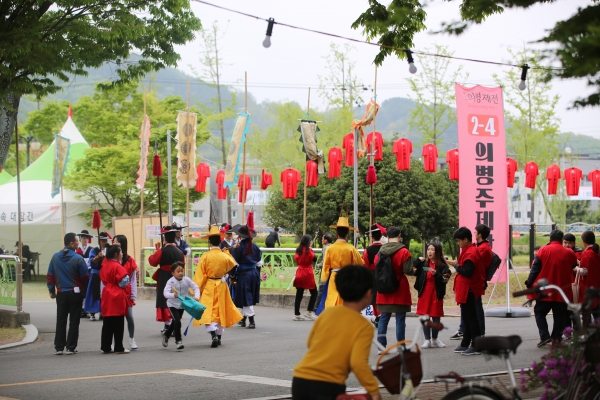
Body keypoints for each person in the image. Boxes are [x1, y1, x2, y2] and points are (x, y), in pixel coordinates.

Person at [292, 265, 381, 400]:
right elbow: (358, 364)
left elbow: (310, 342)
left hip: (300, 379)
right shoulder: (364, 326)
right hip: (328, 385)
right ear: (369, 294)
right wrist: (374, 391)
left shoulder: (327, 313)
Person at [525, 229, 577, 347]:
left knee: (539, 312)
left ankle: (544, 336)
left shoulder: (543, 250)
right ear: (561, 239)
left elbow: (535, 269)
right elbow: (574, 265)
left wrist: (529, 282)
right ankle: (556, 339)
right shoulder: (569, 252)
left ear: (550, 238)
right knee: (560, 316)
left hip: (545, 290)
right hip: (562, 290)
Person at [193, 225, 243, 348]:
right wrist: (226, 252)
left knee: (209, 311)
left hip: (209, 285)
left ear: (209, 242)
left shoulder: (205, 256)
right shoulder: (224, 255)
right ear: (220, 241)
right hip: (221, 284)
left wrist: (196, 290)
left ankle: (213, 335)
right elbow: (232, 264)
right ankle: (219, 336)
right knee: (220, 310)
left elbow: (200, 275)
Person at [47, 232, 89, 355]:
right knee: (74, 321)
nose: (78, 243)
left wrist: (51, 290)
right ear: (71, 243)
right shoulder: (78, 259)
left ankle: (59, 347)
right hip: (75, 293)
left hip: (61, 293)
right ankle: (71, 347)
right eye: (77, 241)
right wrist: (83, 292)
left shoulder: (55, 257)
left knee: (61, 320)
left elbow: (50, 275)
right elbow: (85, 276)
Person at [374, 226, 413, 351]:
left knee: (383, 319)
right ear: (399, 236)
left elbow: (376, 266)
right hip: (399, 288)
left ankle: (381, 347)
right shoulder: (404, 251)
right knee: (400, 319)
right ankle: (401, 346)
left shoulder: (380, 252)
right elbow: (408, 270)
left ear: (388, 236)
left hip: (384, 288)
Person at [447, 227, 482, 355]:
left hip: (469, 289)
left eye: (459, 241)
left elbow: (467, 272)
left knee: (471, 318)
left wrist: (456, 266)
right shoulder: (468, 250)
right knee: (467, 317)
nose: (458, 243)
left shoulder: (471, 252)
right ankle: (465, 343)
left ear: (466, 239)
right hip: (466, 289)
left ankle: (476, 344)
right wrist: (456, 264)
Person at [318, 214, 364, 312]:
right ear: (347, 233)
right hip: (348, 278)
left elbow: (326, 266)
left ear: (336, 233)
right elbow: (360, 264)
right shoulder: (351, 249)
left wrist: (324, 277)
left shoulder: (330, 248)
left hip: (334, 277)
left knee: (332, 301)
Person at [414, 242, 452, 349]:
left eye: (432, 249)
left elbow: (445, 279)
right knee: (425, 316)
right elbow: (412, 269)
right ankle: (427, 340)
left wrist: (437, 275)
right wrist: (418, 260)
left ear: (438, 252)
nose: (429, 252)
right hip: (424, 293)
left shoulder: (442, 266)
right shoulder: (423, 264)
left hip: (436, 293)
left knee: (436, 317)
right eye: (428, 249)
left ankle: (435, 339)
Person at [149, 226, 185, 334]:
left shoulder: (161, 251)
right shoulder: (180, 252)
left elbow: (153, 262)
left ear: (165, 239)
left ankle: (168, 324)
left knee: (165, 299)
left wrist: (157, 251)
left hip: (164, 276)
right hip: (176, 277)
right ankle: (173, 324)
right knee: (175, 299)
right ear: (174, 238)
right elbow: (183, 265)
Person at [230, 224, 263, 329]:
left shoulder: (238, 247)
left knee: (247, 296)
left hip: (244, 274)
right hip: (254, 273)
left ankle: (252, 320)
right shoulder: (255, 246)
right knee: (246, 295)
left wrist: (232, 276)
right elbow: (259, 263)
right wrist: (257, 274)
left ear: (240, 235)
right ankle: (243, 319)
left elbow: (234, 263)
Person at [100, 244, 130, 354]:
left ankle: (105, 346)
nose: (122, 254)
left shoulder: (105, 265)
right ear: (116, 254)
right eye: (121, 252)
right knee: (118, 322)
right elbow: (123, 282)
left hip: (107, 292)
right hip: (116, 294)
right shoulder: (118, 266)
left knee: (107, 322)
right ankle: (118, 347)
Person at [163, 261, 199, 350]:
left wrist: (197, 296)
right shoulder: (170, 281)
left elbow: (196, 287)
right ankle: (178, 341)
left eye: (182, 271)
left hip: (182, 305)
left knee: (175, 321)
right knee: (178, 322)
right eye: (178, 271)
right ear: (173, 273)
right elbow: (165, 293)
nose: (180, 273)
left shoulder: (186, 280)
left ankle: (166, 335)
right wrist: (173, 295)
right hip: (172, 305)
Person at [113, 235, 138, 350]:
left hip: (126, 293)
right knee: (115, 319)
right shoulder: (111, 261)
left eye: (117, 242)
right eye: (114, 242)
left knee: (130, 317)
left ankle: (131, 339)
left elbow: (133, 279)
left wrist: (133, 294)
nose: (115, 244)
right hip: (114, 293)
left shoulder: (129, 260)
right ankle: (116, 341)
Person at [362, 224, 385, 327]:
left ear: (372, 237)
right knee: (382, 294)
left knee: (374, 297)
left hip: (372, 274)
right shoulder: (385, 249)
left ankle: (378, 316)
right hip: (384, 274)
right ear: (380, 236)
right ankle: (381, 316)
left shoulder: (368, 250)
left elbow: (365, 264)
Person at [85, 232, 110, 321]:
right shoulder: (94, 250)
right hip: (96, 274)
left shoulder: (108, 250)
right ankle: (92, 312)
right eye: (102, 240)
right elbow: (92, 262)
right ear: (99, 241)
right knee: (94, 292)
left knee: (104, 293)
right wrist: (98, 257)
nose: (104, 242)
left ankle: (103, 311)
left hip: (105, 274)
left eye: (105, 240)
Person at [292, 235, 318, 321]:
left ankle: (296, 314)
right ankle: (309, 312)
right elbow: (314, 259)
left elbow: (296, 259)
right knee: (314, 293)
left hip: (300, 271)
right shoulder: (309, 250)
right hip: (307, 273)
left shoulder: (298, 250)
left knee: (299, 294)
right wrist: (311, 250)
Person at [580, 231, 600, 321]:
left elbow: (585, 271)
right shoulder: (597, 251)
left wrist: (576, 268)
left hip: (588, 285)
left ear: (583, 241)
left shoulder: (586, 253)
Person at [76, 230, 94, 318]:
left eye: (86, 238)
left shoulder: (91, 249)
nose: (85, 240)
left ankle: (86, 308)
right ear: (80, 239)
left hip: (89, 272)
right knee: (80, 289)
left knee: (87, 289)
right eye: (83, 238)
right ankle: (81, 308)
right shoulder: (77, 250)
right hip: (79, 272)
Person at [313, 232, 333, 312]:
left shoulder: (326, 248)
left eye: (322, 239)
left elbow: (325, 261)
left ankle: (316, 307)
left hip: (325, 272)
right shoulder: (333, 247)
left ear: (326, 240)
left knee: (321, 289)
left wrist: (318, 265)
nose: (321, 240)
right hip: (332, 272)